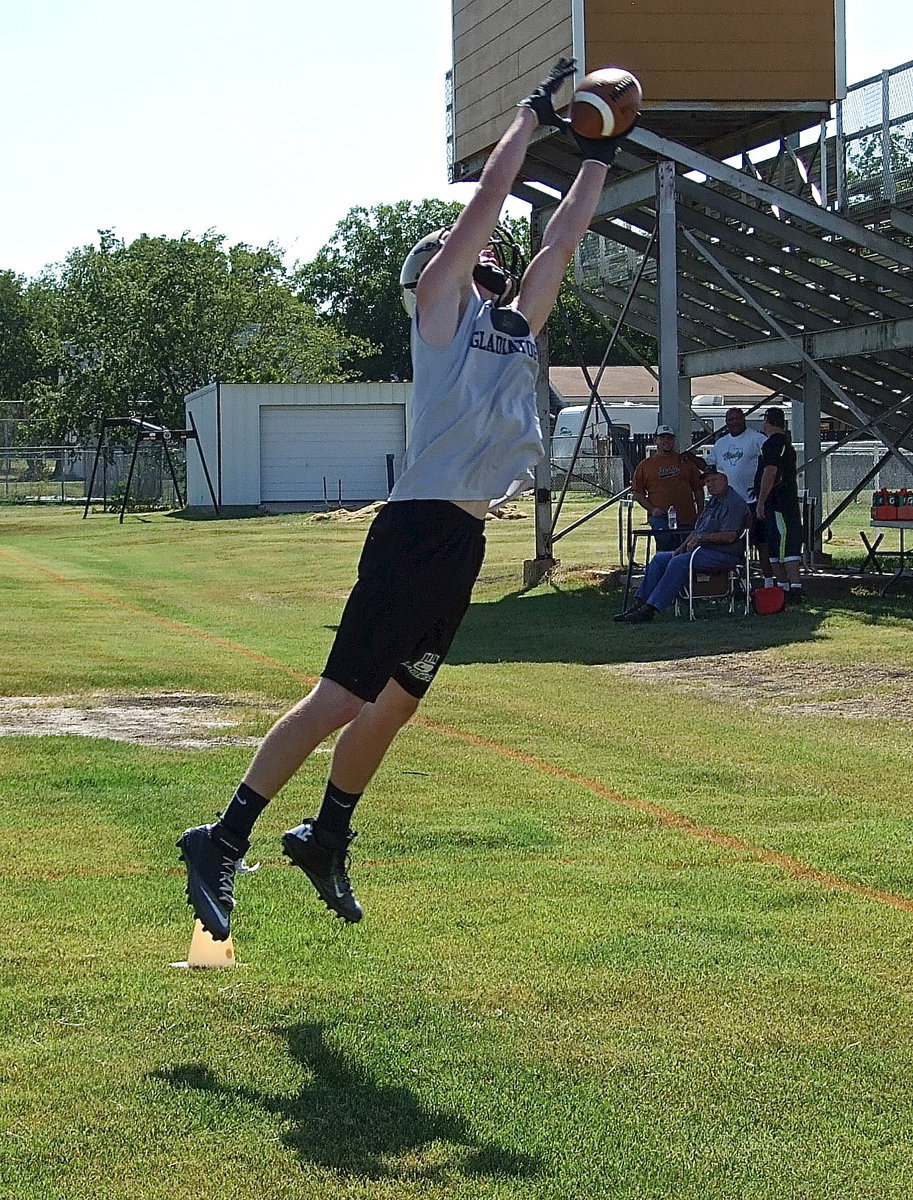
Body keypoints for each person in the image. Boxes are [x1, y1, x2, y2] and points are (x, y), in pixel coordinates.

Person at [178, 57, 634, 940]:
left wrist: (600, 154)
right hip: (415, 528)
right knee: (339, 697)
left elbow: (561, 242)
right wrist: (528, 118)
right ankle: (222, 838)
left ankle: (327, 834)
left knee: (395, 704)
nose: (492, 256)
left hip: (461, 540)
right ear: (442, 267)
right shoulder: (437, 309)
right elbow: (488, 207)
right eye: (473, 252)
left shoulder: (512, 326)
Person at [614, 467, 748, 622]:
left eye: (714, 480)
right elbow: (697, 530)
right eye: (707, 482)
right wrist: (682, 546)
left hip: (724, 554)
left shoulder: (733, 503)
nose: (710, 485)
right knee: (660, 559)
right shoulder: (713, 502)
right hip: (701, 551)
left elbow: (730, 536)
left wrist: (701, 539)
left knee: (680, 562)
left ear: (725, 479)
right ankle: (639, 603)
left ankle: (650, 609)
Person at [705, 406, 773, 581]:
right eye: (730, 420)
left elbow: (770, 465)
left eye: (737, 418)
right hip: (731, 504)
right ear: (726, 423)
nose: (734, 422)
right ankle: (740, 582)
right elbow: (709, 467)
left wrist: (760, 489)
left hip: (754, 501)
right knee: (736, 543)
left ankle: (768, 581)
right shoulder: (720, 444)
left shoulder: (757, 439)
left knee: (762, 543)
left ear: (744, 419)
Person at [754, 406, 804, 602]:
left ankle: (794, 587)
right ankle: (781, 586)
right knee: (775, 544)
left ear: (767, 420)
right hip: (781, 503)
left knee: (785, 544)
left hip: (778, 503)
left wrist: (761, 501)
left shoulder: (773, 444)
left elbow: (770, 472)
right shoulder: (786, 444)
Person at [630, 425, 705, 551]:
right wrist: (652, 509)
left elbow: (698, 488)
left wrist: (701, 512)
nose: (666, 441)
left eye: (669, 438)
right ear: (655, 441)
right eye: (662, 438)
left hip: (687, 518)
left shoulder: (684, 461)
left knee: (689, 550)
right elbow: (638, 493)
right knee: (666, 546)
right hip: (661, 518)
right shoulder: (645, 465)